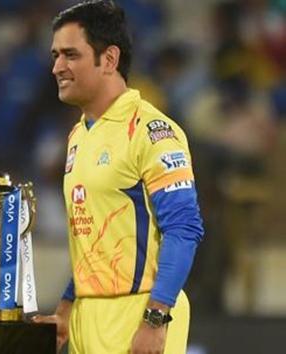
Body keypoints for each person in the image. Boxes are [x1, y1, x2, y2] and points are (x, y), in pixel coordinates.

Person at [32, 1, 205, 354]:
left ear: (109, 59)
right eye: (55, 56)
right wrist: (66, 308)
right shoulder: (79, 134)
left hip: (138, 314)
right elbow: (96, 241)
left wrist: (156, 319)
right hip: (87, 314)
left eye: (69, 55)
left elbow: (184, 228)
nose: (56, 68)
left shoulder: (152, 131)